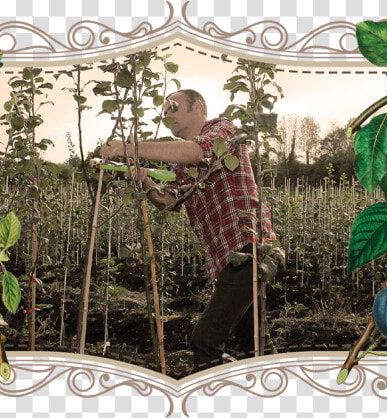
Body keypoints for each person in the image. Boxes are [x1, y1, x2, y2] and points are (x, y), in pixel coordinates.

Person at [100, 89, 277, 373]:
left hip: (248, 248)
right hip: (228, 257)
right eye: (163, 109)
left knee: (205, 340)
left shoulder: (223, 129)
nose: (166, 114)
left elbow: (198, 152)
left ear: (199, 107)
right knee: (254, 343)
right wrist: (144, 181)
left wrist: (130, 146)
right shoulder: (179, 163)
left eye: (172, 106)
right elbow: (169, 202)